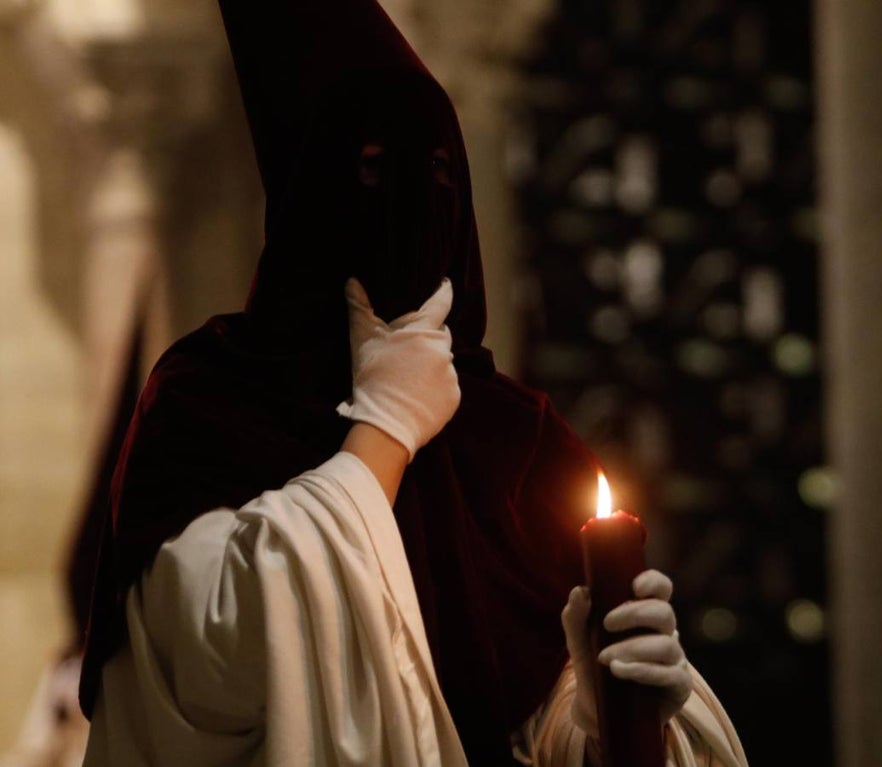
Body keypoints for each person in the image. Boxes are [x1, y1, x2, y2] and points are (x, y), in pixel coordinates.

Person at [77, 0, 748, 764]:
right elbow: (207, 659)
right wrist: (385, 432)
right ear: (310, 196)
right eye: (369, 168)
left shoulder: (514, 434)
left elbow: (537, 721)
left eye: (436, 172)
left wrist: (604, 715)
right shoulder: (212, 401)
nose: (408, 205)